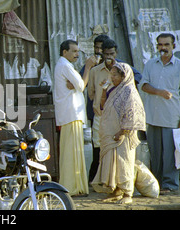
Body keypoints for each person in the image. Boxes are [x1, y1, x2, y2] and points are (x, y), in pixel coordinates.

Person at [140, 33, 180, 194]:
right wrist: (159, 92)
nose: (163, 48)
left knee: (170, 155)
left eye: (167, 44)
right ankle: (155, 184)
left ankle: (169, 185)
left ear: (173, 46)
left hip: (171, 117)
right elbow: (144, 86)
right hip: (153, 117)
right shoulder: (150, 64)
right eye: (160, 45)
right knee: (155, 154)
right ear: (157, 46)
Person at [87, 38, 143, 181]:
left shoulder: (123, 70)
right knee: (98, 149)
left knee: (117, 150)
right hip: (100, 115)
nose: (109, 57)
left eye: (112, 53)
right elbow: (91, 93)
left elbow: (137, 76)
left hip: (118, 118)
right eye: (106, 54)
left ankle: (116, 180)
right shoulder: (94, 71)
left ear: (116, 53)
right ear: (102, 54)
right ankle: (98, 180)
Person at [91, 62, 146, 204]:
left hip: (123, 136)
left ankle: (128, 193)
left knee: (124, 163)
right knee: (113, 164)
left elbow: (133, 116)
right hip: (110, 135)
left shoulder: (130, 92)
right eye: (111, 74)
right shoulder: (113, 90)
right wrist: (104, 90)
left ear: (124, 76)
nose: (112, 77)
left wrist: (122, 132)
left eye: (115, 75)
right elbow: (103, 106)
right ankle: (117, 191)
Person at [53, 39, 98, 196]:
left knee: (72, 152)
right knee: (72, 153)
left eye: (78, 51)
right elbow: (81, 86)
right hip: (71, 114)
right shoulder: (65, 65)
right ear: (65, 52)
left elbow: (77, 84)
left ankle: (74, 186)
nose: (77, 54)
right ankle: (71, 187)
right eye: (74, 51)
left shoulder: (64, 66)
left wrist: (79, 81)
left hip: (70, 115)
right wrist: (88, 67)